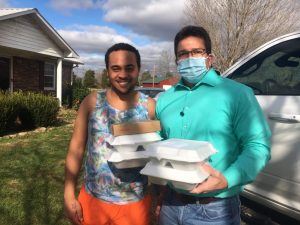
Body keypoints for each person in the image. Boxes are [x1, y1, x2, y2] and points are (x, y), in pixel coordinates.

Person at [155, 25, 271, 225]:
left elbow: (258, 146)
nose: (190, 58)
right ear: (176, 60)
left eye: (197, 52)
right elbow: (161, 147)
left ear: (210, 57)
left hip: (215, 210)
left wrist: (227, 179)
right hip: (171, 205)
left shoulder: (237, 94)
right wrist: (162, 193)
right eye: (183, 54)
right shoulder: (164, 100)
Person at [64, 43, 156, 225]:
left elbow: (159, 154)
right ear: (107, 71)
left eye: (129, 68)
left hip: (136, 204)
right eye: (116, 69)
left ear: (138, 70)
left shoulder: (150, 107)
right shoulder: (91, 103)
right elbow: (76, 148)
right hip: (93, 201)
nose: (122, 75)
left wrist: (159, 194)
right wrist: (68, 193)